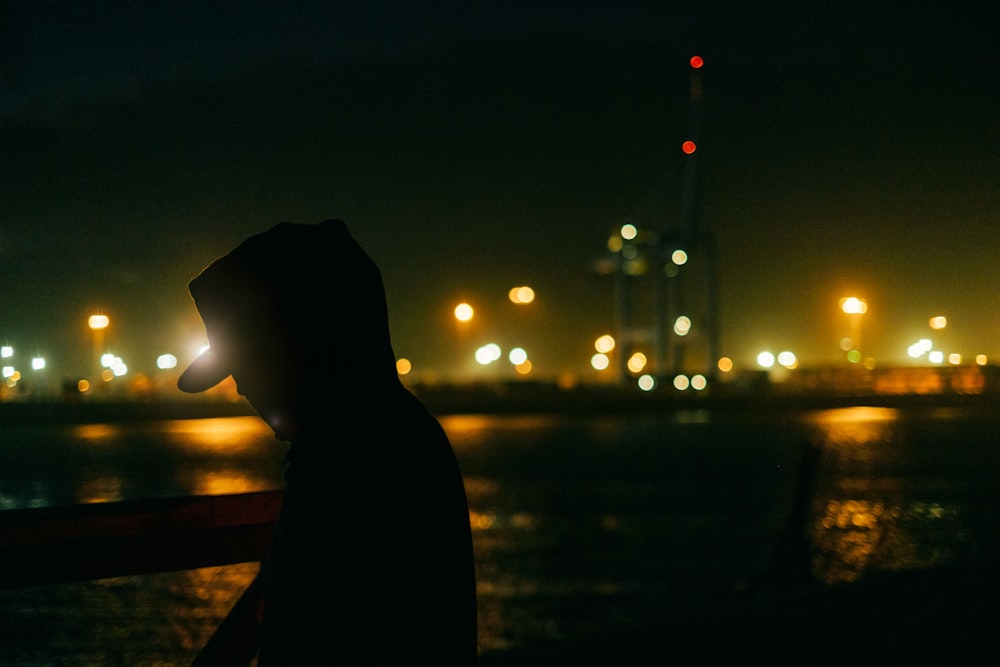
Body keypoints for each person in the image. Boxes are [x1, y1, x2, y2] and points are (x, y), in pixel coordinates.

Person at [177, 220, 478, 665]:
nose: (240, 388)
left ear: (296, 348)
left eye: (245, 363)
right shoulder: (387, 435)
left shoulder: (353, 458)